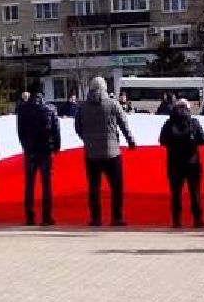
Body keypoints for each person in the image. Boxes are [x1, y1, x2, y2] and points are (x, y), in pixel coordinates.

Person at [74, 76, 137, 227]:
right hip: (112, 152)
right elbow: (123, 124)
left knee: (94, 187)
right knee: (116, 187)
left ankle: (96, 218)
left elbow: (77, 127)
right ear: (105, 88)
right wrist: (131, 141)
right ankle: (116, 217)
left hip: (91, 154)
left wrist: (87, 139)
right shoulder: (113, 104)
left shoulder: (83, 107)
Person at [14, 86, 60, 226]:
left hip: (30, 151)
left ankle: (29, 217)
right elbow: (56, 130)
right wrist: (56, 146)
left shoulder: (22, 109)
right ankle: (46, 217)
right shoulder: (50, 109)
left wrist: (25, 146)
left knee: (29, 184)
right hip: (46, 150)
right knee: (46, 185)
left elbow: (20, 131)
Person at [158, 96, 204, 228]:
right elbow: (203, 140)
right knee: (195, 191)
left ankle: (176, 220)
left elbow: (162, 140)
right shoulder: (194, 122)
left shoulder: (169, 123)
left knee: (175, 193)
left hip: (174, 162)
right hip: (192, 162)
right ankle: (197, 219)